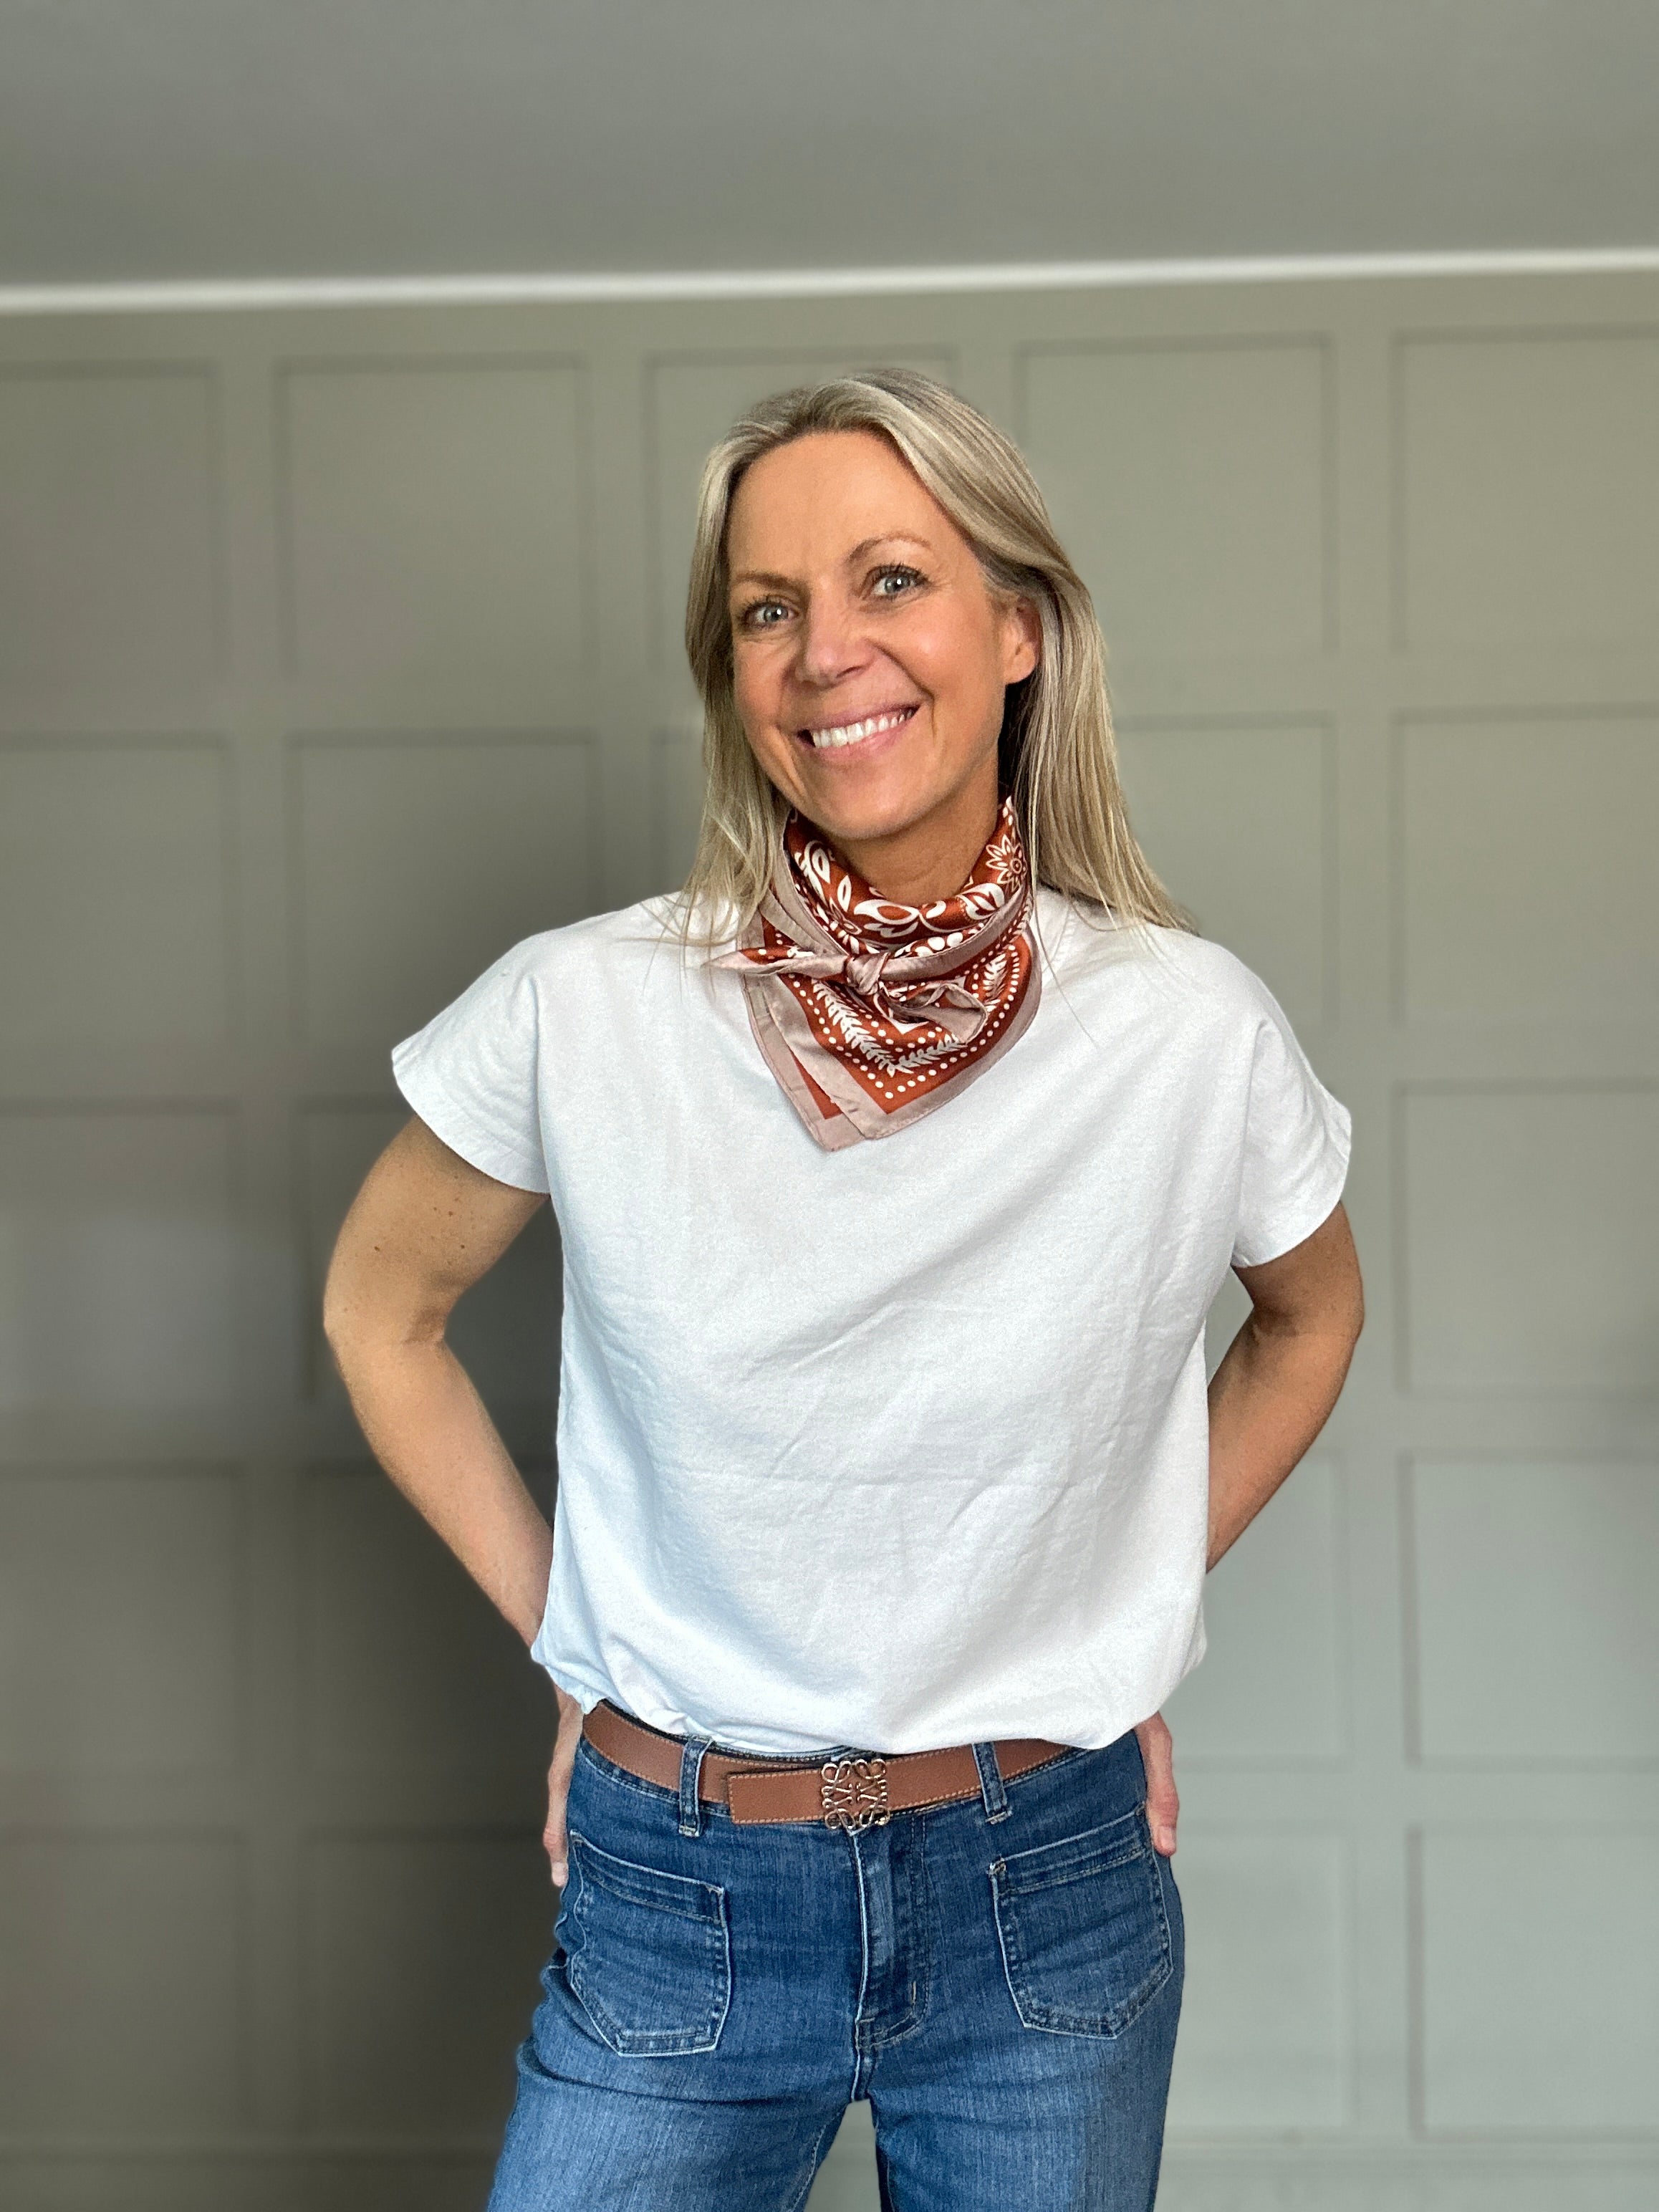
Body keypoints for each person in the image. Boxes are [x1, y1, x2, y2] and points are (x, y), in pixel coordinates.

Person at [323, 367, 1364, 2211]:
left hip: (1047, 1884)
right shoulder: (585, 1006)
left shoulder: (1186, 1027)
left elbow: (1313, 1316)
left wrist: (1116, 1604)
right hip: (681, 1889)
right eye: (765, 609)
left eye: (892, 579)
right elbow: (377, 1309)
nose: (824, 653)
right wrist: (580, 1641)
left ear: (1019, 630)